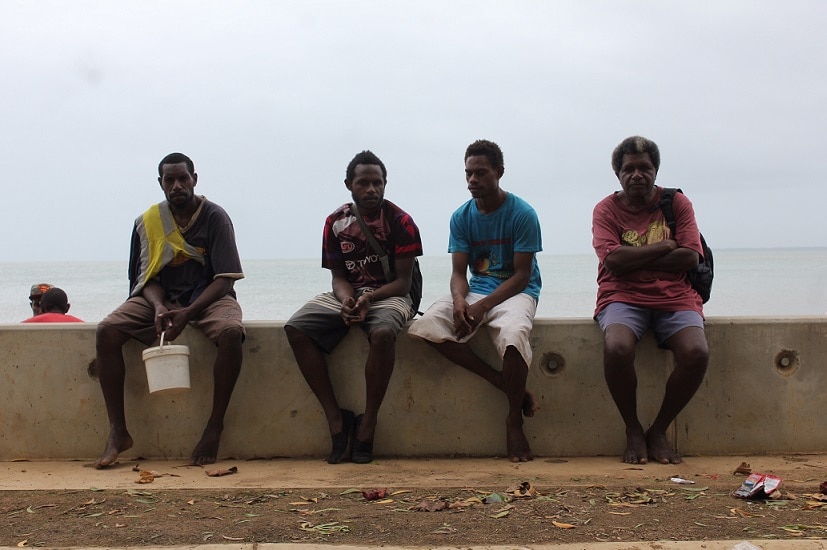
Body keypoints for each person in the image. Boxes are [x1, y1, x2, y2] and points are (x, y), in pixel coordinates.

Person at [94, 152, 245, 468]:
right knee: (107, 331)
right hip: (160, 299)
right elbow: (144, 278)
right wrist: (160, 306)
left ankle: (214, 426)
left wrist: (188, 312)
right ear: (161, 184)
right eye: (169, 180)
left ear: (194, 179)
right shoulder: (147, 221)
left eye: (183, 178)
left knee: (231, 333)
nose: (177, 185)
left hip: (207, 299)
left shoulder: (215, 217)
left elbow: (225, 279)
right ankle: (118, 431)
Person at [408, 139, 542, 463]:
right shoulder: (461, 217)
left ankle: (513, 419)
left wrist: (482, 306)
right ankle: (503, 383)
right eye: (468, 173)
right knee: (425, 327)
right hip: (476, 289)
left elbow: (522, 276)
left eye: (480, 173)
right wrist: (459, 300)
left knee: (513, 336)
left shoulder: (522, 214)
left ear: (499, 172)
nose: (472, 180)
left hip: (515, 292)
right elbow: (458, 273)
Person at [284, 150, 423, 465]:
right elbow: (338, 277)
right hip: (350, 293)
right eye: (364, 182)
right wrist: (347, 299)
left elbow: (403, 283)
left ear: (385, 184)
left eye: (377, 182)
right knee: (297, 328)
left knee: (384, 332)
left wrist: (369, 299)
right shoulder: (336, 222)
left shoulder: (401, 221)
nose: (371, 189)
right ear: (349, 184)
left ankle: (369, 422)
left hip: (389, 295)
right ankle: (336, 418)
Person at [592, 135, 709, 465]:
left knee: (697, 353)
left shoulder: (676, 204)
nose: (637, 174)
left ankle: (658, 430)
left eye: (645, 167)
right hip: (623, 297)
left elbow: (689, 258)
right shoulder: (606, 210)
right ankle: (632, 429)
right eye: (629, 168)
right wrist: (664, 247)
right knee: (616, 348)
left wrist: (634, 257)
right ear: (618, 174)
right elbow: (612, 262)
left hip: (676, 297)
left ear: (656, 171)